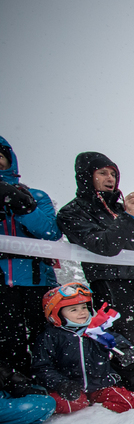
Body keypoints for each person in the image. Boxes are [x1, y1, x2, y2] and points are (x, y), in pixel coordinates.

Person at [57, 152, 134, 392]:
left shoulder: (121, 208)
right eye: (103, 173)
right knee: (125, 339)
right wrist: (127, 216)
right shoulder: (73, 212)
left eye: (113, 174)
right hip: (111, 283)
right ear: (87, 177)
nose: (110, 178)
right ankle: (124, 386)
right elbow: (104, 246)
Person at [0, 135, 63, 380]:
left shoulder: (35, 195)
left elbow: (51, 233)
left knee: (43, 336)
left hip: (38, 280)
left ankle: (48, 381)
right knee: (7, 339)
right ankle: (13, 382)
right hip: (2, 282)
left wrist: (25, 207)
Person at [32, 283, 134, 413]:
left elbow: (114, 339)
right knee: (59, 404)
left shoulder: (95, 329)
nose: (82, 312)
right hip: (71, 387)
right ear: (56, 313)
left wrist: (125, 350)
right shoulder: (51, 336)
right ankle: (83, 408)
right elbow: (42, 367)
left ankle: (99, 412)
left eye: (84, 307)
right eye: (74, 309)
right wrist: (61, 384)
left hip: (100, 384)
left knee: (130, 402)